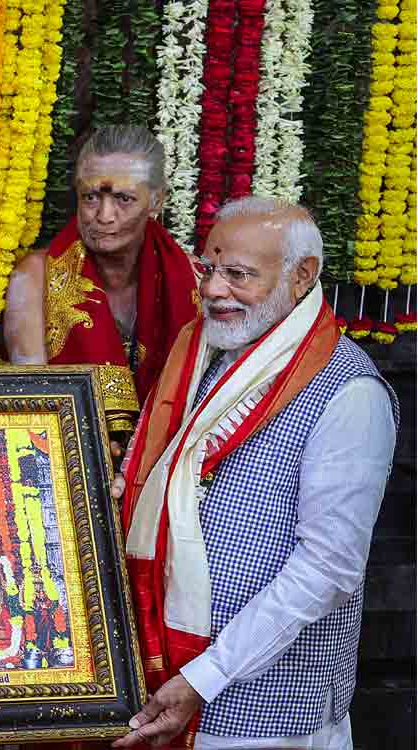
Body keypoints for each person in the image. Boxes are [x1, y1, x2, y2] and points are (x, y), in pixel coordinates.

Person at [112, 197, 398, 749]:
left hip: (263, 717)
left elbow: (328, 570)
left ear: (302, 277)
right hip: (162, 680)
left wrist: (206, 676)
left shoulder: (348, 393)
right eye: (210, 268)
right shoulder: (202, 352)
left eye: (238, 275)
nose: (214, 289)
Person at [3, 125, 199, 406]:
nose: (104, 216)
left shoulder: (192, 278)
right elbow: (36, 402)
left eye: (124, 199)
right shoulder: (35, 277)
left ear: (157, 200)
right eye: (91, 197)